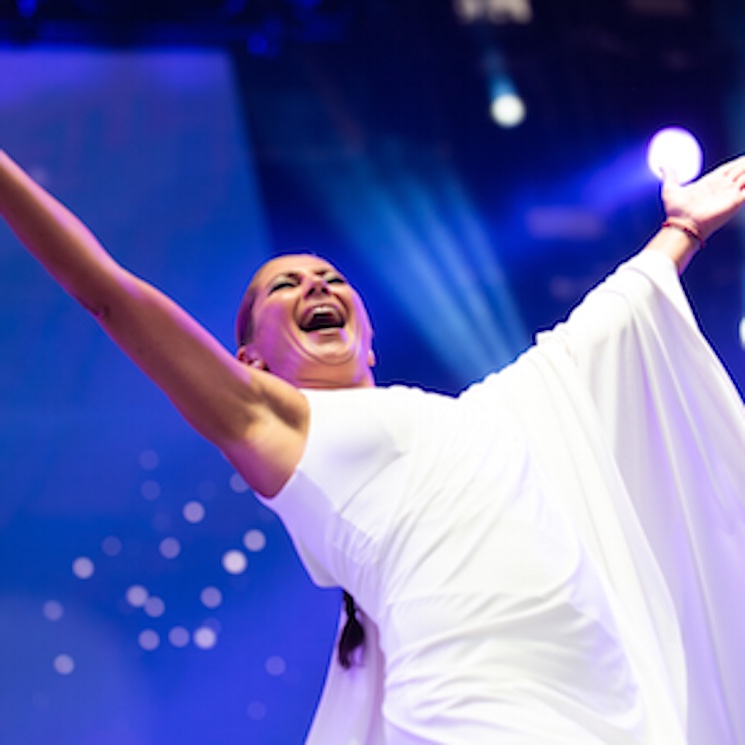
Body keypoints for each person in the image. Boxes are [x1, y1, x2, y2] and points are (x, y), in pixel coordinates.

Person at [1, 148, 745, 745]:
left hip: (595, 706)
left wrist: (682, 229)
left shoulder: (488, 412)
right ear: (250, 358)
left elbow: (597, 332)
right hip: (477, 710)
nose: (315, 285)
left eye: (328, 277)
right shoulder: (280, 426)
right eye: (283, 287)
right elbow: (107, 293)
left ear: (370, 335)